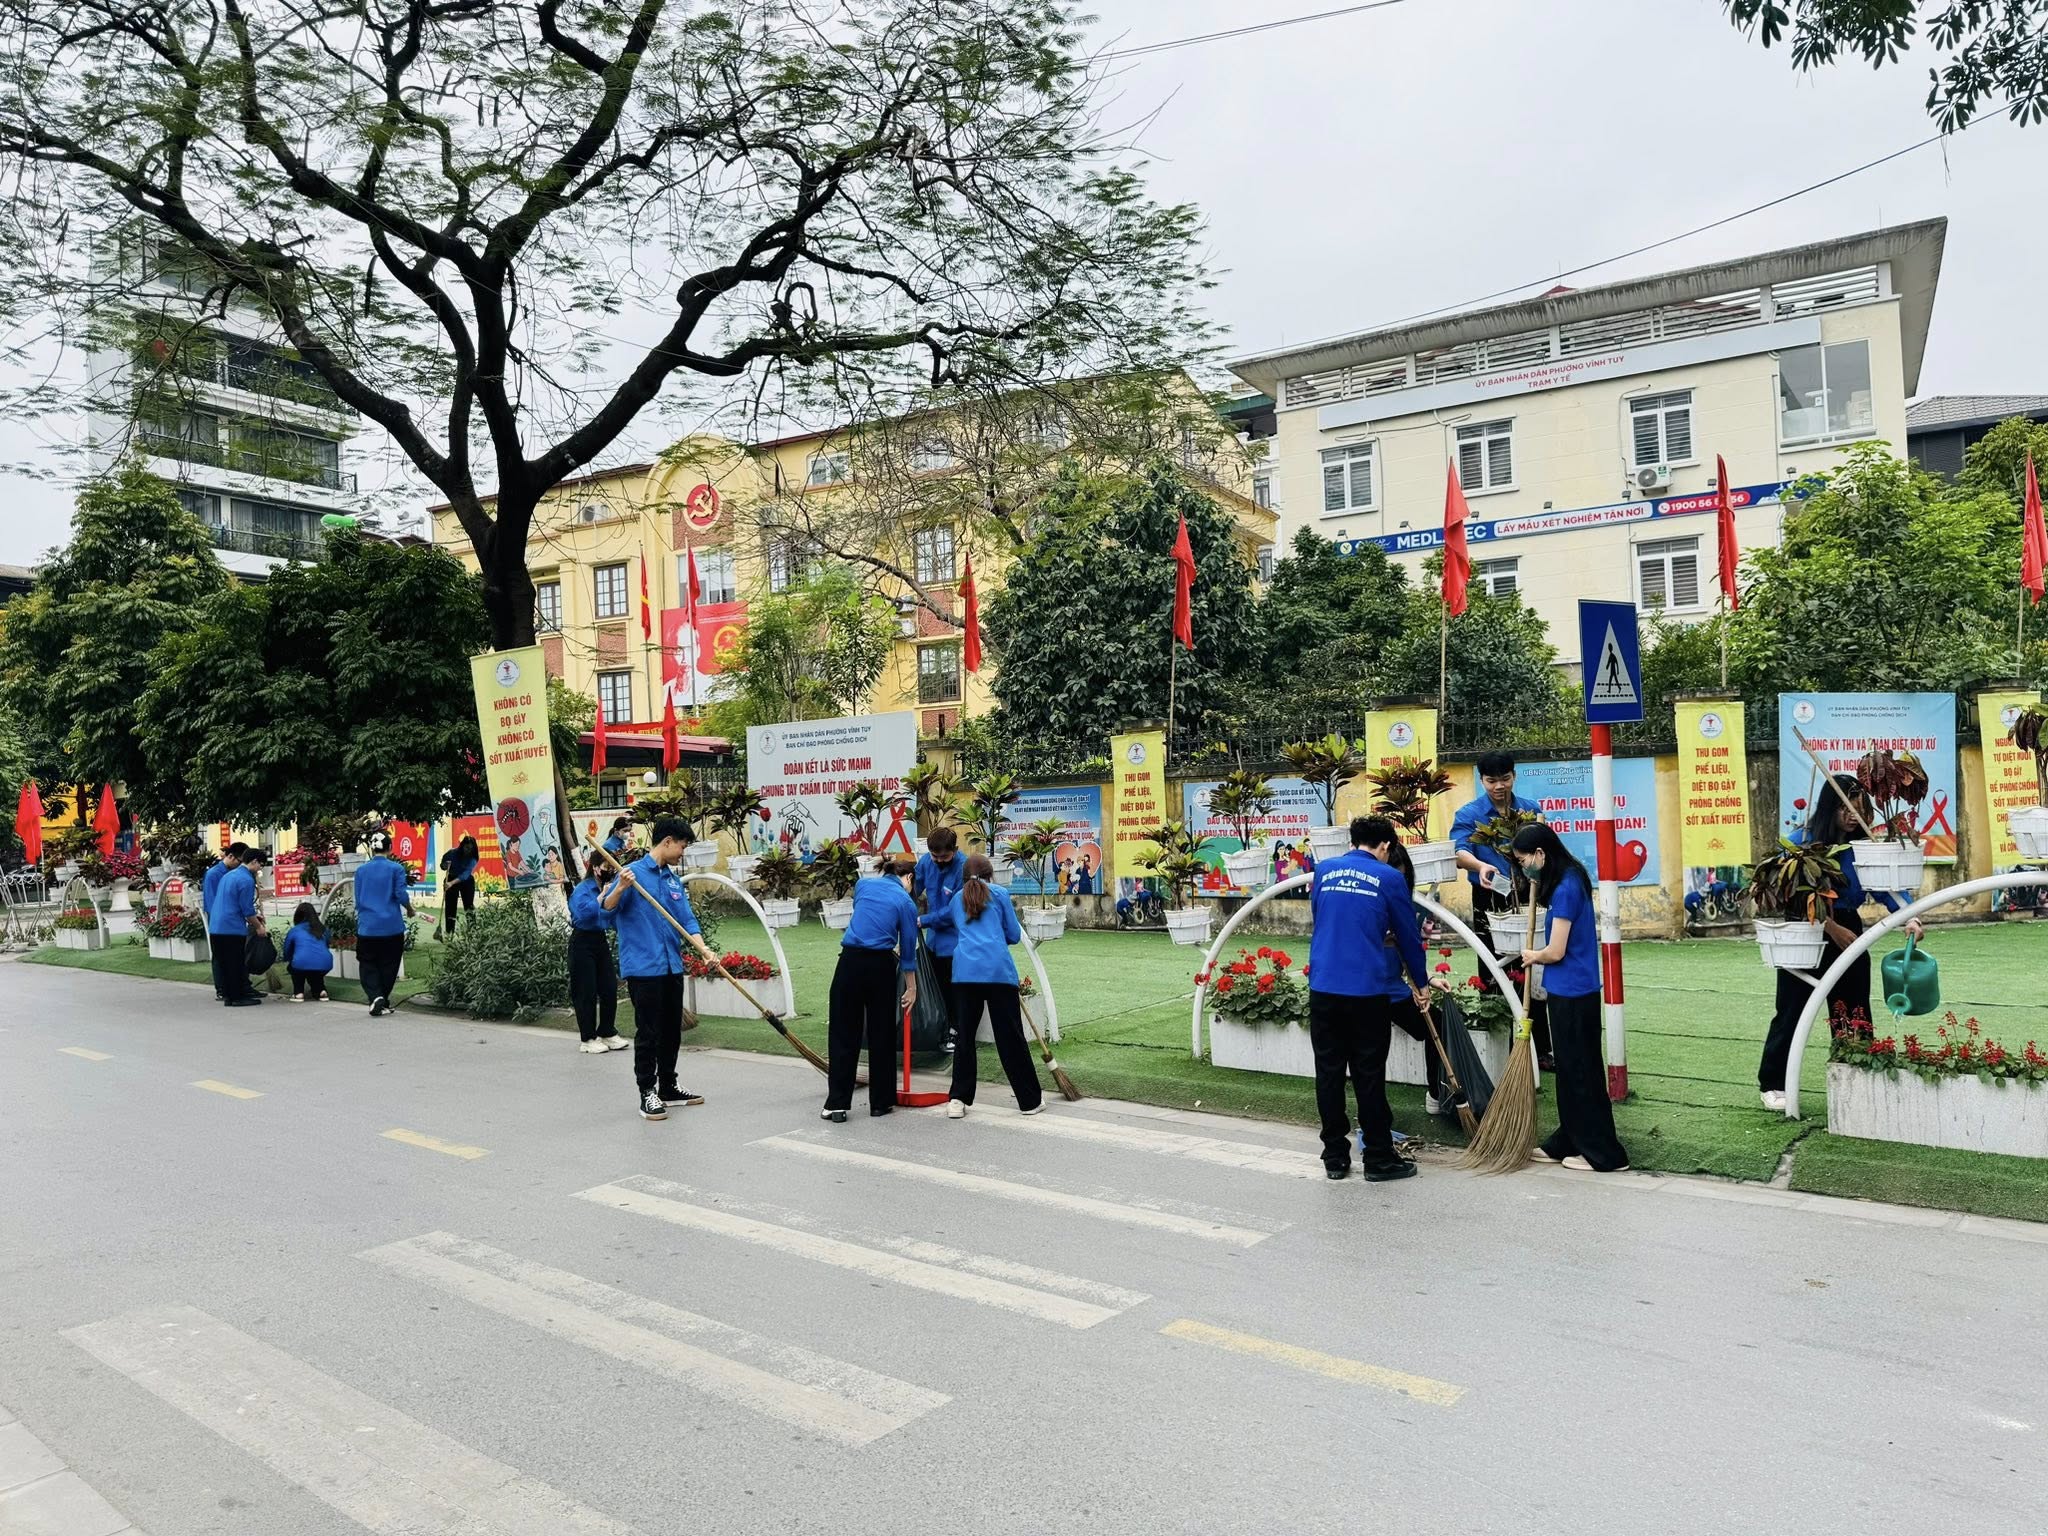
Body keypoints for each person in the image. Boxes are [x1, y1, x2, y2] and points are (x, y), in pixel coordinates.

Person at [1756, 776, 1922, 1111]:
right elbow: (1787, 893)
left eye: (1859, 808)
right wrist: (1830, 928)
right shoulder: (1800, 843)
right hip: (1806, 929)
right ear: (1829, 807)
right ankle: (1772, 1083)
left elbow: (1887, 888)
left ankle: (1858, 1073)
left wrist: (1910, 915)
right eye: (1845, 808)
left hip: (1849, 926)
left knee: (1853, 1005)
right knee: (1792, 1009)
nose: (1852, 815)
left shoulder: (1864, 848)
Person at [1306, 815, 1432, 1181]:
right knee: (1368, 1076)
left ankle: (1334, 1157)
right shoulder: (1390, 877)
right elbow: (1408, 937)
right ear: (1386, 846)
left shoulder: (1325, 870)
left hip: (1325, 986)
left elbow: (1322, 917)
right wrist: (1420, 983)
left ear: (1353, 841)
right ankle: (1378, 1158)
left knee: (1328, 1074)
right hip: (1367, 992)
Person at [1509, 823, 1630, 1172]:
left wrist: (1533, 956)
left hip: (1575, 994)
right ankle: (1568, 1138)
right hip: (1569, 991)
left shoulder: (1566, 888)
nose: (1522, 867)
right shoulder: (1569, 879)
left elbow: (1557, 950)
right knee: (1572, 1070)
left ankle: (1604, 1153)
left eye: (1523, 860)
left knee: (1582, 1073)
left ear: (1541, 854)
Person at [602, 816, 718, 1121]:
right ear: (667, 842)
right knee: (649, 1032)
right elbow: (607, 910)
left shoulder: (671, 879)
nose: (683, 852)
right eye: (681, 845)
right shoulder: (632, 874)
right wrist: (620, 888)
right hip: (643, 968)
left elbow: (687, 920)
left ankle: (668, 1086)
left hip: (670, 965)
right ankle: (647, 1092)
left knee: (671, 1031)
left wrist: (704, 950)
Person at [1451, 751, 1553, 1068]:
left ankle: (1541, 1049)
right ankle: (1499, 1047)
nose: (1499, 786)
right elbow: (1459, 852)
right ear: (1481, 780)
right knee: (1493, 969)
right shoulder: (1469, 814)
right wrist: (1481, 865)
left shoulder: (1530, 811)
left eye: (1505, 779)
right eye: (1492, 780)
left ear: (1514, 776)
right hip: (1488, 895)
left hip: (1529, 897)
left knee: (1531, 967)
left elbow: (1546, 851)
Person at [925, 852, 1044, 1118]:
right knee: (1010, 1037)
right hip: (998, 973)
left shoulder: (957, 899)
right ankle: (1029, 1101)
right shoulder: (1000, 894)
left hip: (965, 974)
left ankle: (957, 1100)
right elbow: (1013, 935)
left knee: (965, 1037)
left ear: (963, 877)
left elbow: (959, 925)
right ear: (991, 875)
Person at [824, 855, 921, 1122]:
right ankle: (881, 1102)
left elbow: (865, 914)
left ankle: (837, 1104)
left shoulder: (863, 885)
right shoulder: (905, 902)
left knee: (844, 1032)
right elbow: (909, 951)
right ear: (909, 878)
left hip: (849, 961)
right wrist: (911, 988)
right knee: (882, 1033)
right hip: (880, 966)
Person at [1378, 840, 1454, 1116]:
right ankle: (1374, 1116)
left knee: (1439, 1025)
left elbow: (1410, 949)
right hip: (1368, 992)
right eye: (1391, 874)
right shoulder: (1369, 904)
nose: (1396, 882)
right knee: (1372, 1051)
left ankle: (1435, 1092)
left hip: (1394, 992)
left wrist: (1426, 979)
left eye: (1402, 876)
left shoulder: (1409, 906)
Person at [913, 827, 967, 1046]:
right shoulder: (926, 862)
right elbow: (912, 887)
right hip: (933, 941)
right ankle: (941, 1028)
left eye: (944, 856)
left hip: (955, 941)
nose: (938, 861)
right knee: (935, 987)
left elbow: (956, 908)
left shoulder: (963, 867)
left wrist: (922, 920)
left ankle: (957, 1031)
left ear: (954, 850)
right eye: (935, 856)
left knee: (954, 991)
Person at [353, 831, 413, 1017]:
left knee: (367, 963)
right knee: (389, 964)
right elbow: (401, 895)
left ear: (372, 849)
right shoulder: (396, 869)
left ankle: (376, 996)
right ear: (390, 848)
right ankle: (382, 998)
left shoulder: (361, 871)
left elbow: (358, 897)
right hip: (391, 926)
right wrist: (410, 909)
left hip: (368, 926)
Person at [567, 863, 626, 1055]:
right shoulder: (583, 889)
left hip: (600, 940)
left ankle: (607, 1032)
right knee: (586, 991)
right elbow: (582, 914)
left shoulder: (609, 886)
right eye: (605, 866)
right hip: (582, 941)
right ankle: (588, 1038)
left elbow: (612, 915)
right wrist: (601, 897)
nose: (608, 870)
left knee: (609, 987)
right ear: (595, 868)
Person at [206, 844, 264, 1008]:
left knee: (225, 963)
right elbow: (247, 909)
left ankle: (229, 996)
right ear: (253, 862)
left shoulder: (229, 876)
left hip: (217, 926)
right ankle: (237, 997)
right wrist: (258, 926)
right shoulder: (245, 879)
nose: (260, 868)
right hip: (231, 927)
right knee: (235, 963)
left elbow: (232, 902)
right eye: (260, 864)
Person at [203, 844, 246, 1000]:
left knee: (236, 955)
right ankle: (221, 988)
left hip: (233, 918)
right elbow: (211, 901)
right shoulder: (214, 874)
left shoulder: (235, 873)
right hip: (219, 918)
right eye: (240, 861)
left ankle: (241, 986)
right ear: (231, 857)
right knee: (220, 955)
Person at [282, 901, 334, 1002]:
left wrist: (288, 959)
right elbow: (326, 945)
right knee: (314, 973)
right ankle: (321, 991)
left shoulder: (295, 930)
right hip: (325, 964)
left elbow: (287, 949)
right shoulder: (323, 929)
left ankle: (298, 993)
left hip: (301, 963)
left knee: (296, 969)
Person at [438, 835, 480, 938]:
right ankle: (449, 932)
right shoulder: (452, 853)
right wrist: (444, 865)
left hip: (466, 881)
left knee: (469, 906)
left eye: (471, 849)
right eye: (466, 848)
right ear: (462, 846)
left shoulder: (473, 858)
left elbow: (465, 875)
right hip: (451, 876)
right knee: (450, 906)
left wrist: (451, 883)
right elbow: (442, 865)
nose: (468, 851)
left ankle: (472, 931)